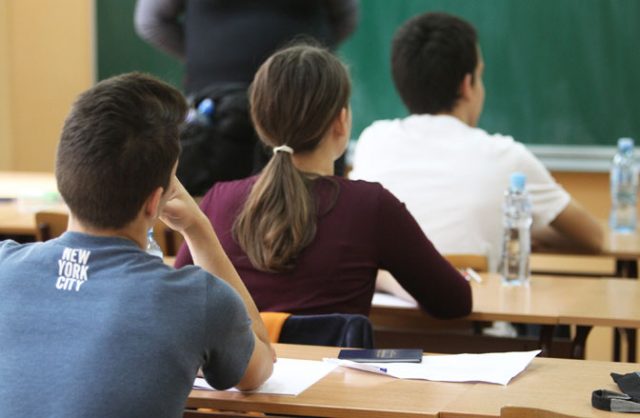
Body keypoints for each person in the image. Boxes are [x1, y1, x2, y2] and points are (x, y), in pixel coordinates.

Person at [0, 73, 274, 417]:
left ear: (63, 177)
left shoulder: (5, 266)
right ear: (156, 201)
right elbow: (259, 370)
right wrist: (198, 228)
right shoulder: (195, 299)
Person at [174, 44, 472, 318]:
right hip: (337, 363)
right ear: (341, 121)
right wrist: (382, 274)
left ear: (261, 123)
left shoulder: (219, 201)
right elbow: (454, 302)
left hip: (243, 363)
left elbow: (178, 297)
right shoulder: (371, 207)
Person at [350, 12, 604, 273]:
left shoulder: (372, 142)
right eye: (480, 75)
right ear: (467, 84)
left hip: (383, 301)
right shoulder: (507, 158)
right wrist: (518, 228)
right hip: (474, 298)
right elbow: (594, 237)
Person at [134, 0, 359, 189]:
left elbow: (346, 16)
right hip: (229, 113)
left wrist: (211, 56)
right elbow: (152, 22)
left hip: (299, 103)